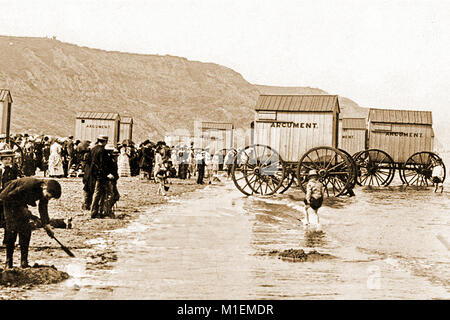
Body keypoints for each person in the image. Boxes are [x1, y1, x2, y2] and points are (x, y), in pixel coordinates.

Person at [0, 177, 60, 268]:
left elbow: (42, 208)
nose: (48, 198)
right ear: (44, 187)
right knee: (12, 230)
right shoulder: (30, 185)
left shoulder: (44, 192)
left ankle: (24, 261)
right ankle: (9, 261)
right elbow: (9, 196)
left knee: (26, 230)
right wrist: (23, 210)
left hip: (20, 202)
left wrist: (47, 225)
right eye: (48, 196)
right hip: (8, 200)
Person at [89, 135, 111, 219]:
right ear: (105, 141)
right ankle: (95, 211)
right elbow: (103, 165)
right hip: (100, 175)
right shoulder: (103, 151)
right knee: (99, 193)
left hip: (93, 173)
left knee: (95, 192)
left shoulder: (93, 149)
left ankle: (95, 210)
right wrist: (105, 174)